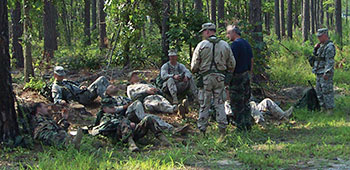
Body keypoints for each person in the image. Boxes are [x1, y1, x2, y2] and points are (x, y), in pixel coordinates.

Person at [191, 22, 236, 138]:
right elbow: (232, 64)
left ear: (207, 32)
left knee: (204, 104)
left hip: (205, 78)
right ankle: (222, 131)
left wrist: (200, 70)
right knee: (219, 103)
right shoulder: (225, 45)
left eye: (203, 32)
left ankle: (202, 130)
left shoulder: (201, 45)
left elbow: (194, 66)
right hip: (220, 78)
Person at [91, 98, 171, 152]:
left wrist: (130, 124)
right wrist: (126, 123)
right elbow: (105, 127)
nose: (114, 108)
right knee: (124, 122)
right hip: (119, 136)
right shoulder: (104, 117)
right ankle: (131, 144)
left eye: (114, 106)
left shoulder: (117, 114)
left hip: (131, 132)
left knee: (148, 119)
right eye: (111, 107)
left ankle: (164, 140)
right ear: (105, 109)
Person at [102, 85, 174, 131]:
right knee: (137, 103)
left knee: (153, 117)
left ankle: (170, 128)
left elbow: (131, 101)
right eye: (111, 87)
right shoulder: (107, 100)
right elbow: (111, 110)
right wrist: (124, 107)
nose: (114, 86)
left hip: (132, 112)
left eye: (114, 86)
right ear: (107, 92)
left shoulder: (122, 98)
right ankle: (142, 117)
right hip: (123, 116)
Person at [226, 25, 254, 131]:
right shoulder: (246, 43)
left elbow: (231, 62)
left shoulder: (235, 45)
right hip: (246, 75)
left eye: (228, 33)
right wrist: (249, 74)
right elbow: (251, 60)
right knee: (246, 101)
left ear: (234, 33)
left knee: (237, 101)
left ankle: (240, 126)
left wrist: (229, 77)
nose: (227, 35)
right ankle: (248, 124)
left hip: (237, 76)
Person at [309, 28, 336, 113]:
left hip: (324, 72)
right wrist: (315, 49)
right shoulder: (320, 46)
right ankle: (323, 108)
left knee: (327, 91)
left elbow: (330, 61)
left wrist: (327, 72)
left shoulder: (329, 47)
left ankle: (329, 109)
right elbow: (316, 57)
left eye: (320, 36)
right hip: (318, 71)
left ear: (325, 35)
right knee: (319, 91)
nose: (319, 38)